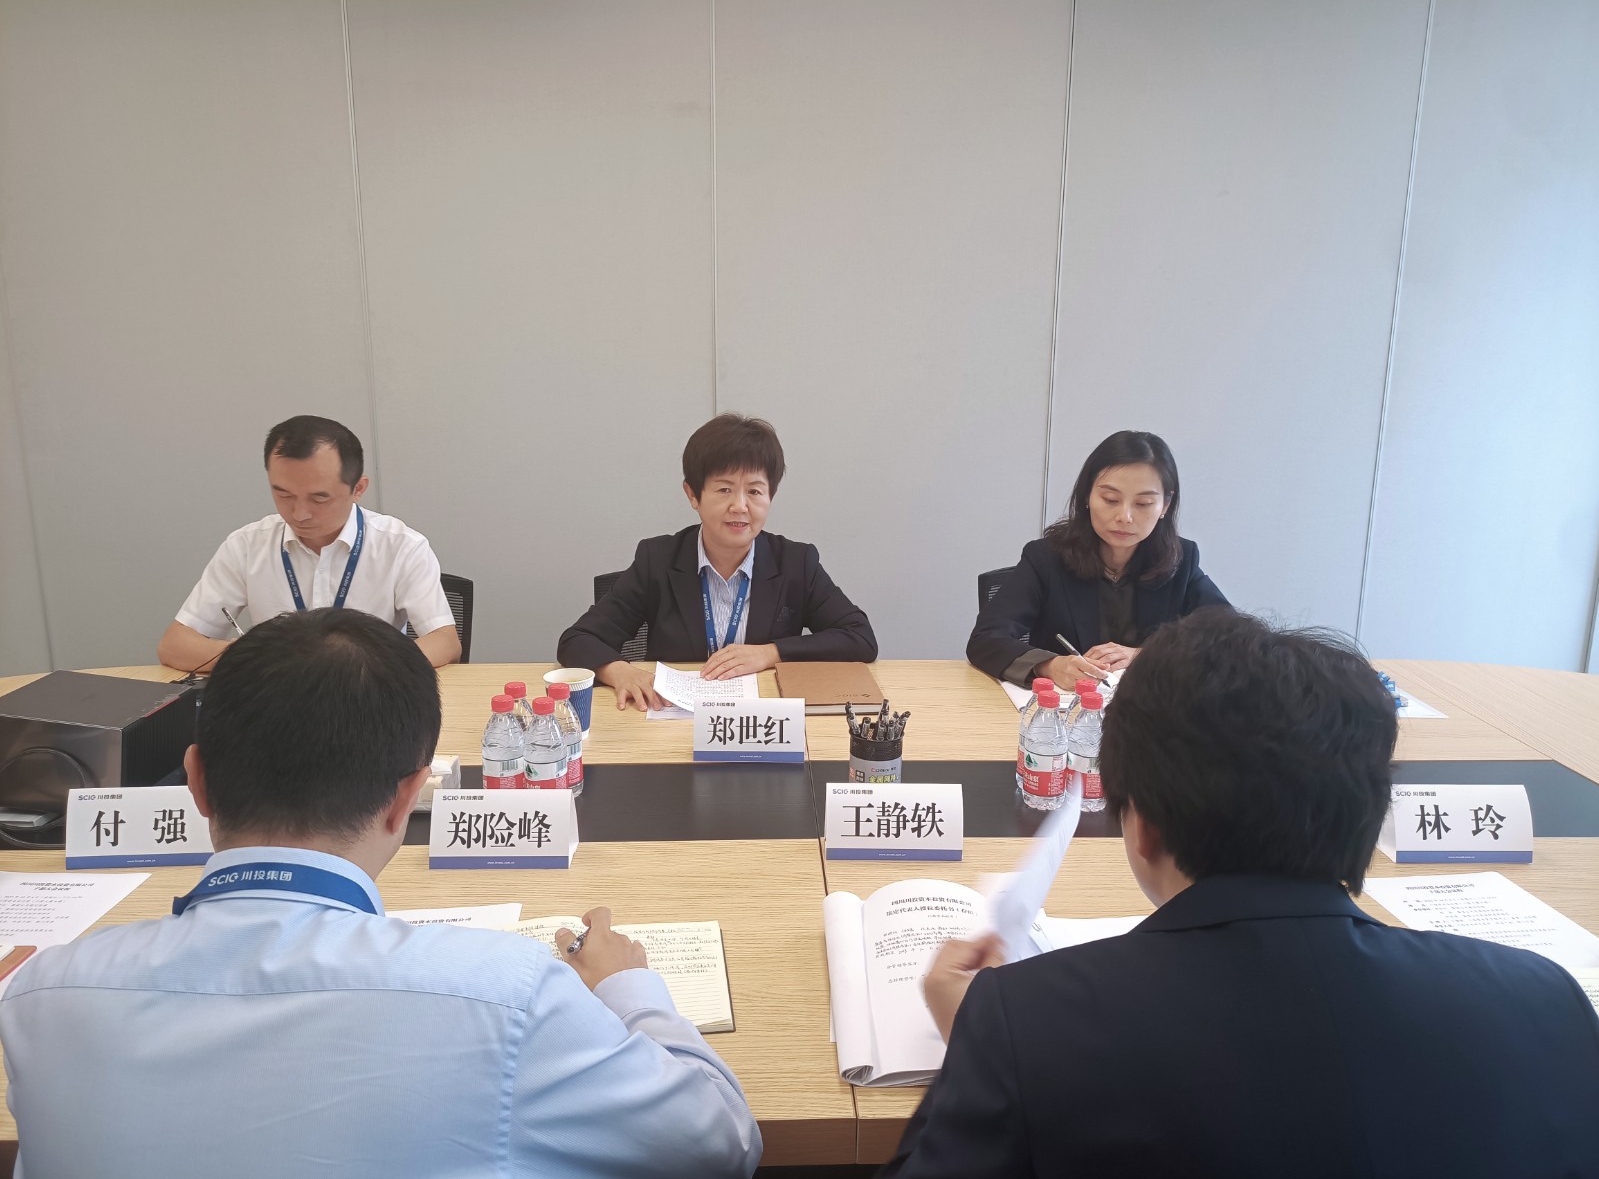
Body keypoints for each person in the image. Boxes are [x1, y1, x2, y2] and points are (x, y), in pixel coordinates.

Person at [2, 609, 761, 1179]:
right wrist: (629, 988)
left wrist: (37, 987)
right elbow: (720, 1140)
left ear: (195, 781)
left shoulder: (37, 999)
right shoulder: (509, 997)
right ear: (407, 799)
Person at [887, 608, 1599, 1178]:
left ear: (1143, 824)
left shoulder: (1025, 1020)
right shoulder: (1545, 1001)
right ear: (1364, 812)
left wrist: (976, 1045)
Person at [558, 413, 877, 710]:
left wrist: (772, 653)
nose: (740, 506)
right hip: (671, 717)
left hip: (758, 721)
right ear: (693, 495)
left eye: (755, 491)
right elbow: (576, 640)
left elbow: (860, 637)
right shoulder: (657, 560)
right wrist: (619, 671)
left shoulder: (796, 562)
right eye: (724, 489)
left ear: (771, 496)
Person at [156, 415, 460, 671]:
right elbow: (175, 645)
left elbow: (444, 641)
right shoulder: (246, 546)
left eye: (319, 498)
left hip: (367, 695)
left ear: (358, 488)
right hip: (278, 697)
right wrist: (261, 657)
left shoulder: (401, 546)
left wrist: (358, 665)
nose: (299, 514)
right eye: (283, 494)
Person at [966, 429, 1226, 688]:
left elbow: (1229, 638)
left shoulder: (1181, 560)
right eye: (1111, 499)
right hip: (1063, 706)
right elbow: (986, 639)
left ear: (1165, 506)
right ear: (1087, 496)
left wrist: (1143, 655)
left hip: (1148, 707)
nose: (1125, 517)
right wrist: (1050, 666)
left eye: (1143, 503)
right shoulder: (1045, 558)